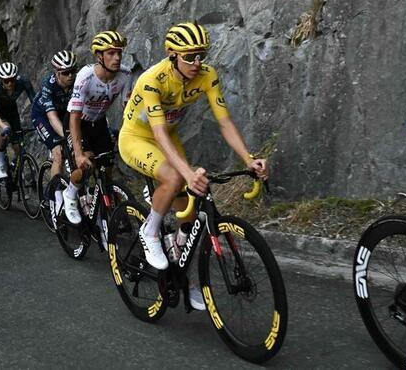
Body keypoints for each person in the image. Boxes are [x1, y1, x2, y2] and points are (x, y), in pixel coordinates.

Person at [119, 21, 267, 309]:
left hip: (169, 137)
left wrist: (249, 159)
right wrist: (187, 173)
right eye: (190, 57)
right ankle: (149, 231)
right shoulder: (152, 79)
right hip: (137, 138)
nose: (197, 63)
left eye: (201, 55)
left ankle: (185, 277)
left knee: (190, 212)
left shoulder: (207, 75)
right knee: (176, 178)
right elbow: (158, 133)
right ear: (172, 55)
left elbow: (224, 121)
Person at [62, 31, 133, 225]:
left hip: (100, 122)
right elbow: (75, 116)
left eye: (119, 53)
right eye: (111, 53)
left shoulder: (125, 75)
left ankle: (102, 203)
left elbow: (129, 110)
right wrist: (78, 153)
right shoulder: (85, 77)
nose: (117, 57)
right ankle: (70, 193)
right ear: (99, 56)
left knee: (108, 168)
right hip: (78, 123)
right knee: (85, 164)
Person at [30, 50, 77, 182]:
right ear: (57, 73)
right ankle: (54, 197)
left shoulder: (78, 82)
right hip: (42, 116)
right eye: (66, 73)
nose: (71, 76)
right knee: (58, 154)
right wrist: (68, 136)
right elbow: (52, 117)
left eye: (73, 71)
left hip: (63, 113)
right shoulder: (48, 85)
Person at [0, 62, 36, 180]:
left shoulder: (23, 81)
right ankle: (1, 162)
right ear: (1, 79)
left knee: (18, 145)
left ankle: (17, 172)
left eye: (12, 80)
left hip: (11, 111)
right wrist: (4, 126)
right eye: (6, 81)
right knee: (5, 131)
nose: (10, 83)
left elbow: (34, 102)